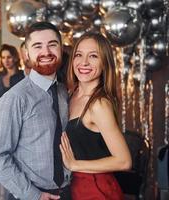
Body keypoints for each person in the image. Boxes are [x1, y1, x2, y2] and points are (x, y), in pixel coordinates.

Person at [0, 22, 71, 200]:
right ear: (26, 53)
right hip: (31, 194)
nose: (46, 52)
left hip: (67, 191)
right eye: (37, 46)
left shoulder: (64, 92)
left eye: (52, 44)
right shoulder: (14, 99)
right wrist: (34, 195)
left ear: (60, 48)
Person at [59, 32, 132, 200]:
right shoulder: (71, 93)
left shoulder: (98, 104)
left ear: (104, 63)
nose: (84, 62)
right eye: (79, 55)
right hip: (74, 187)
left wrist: (75, 164)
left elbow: (124, 161)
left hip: (97, 190)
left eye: (93, 56)